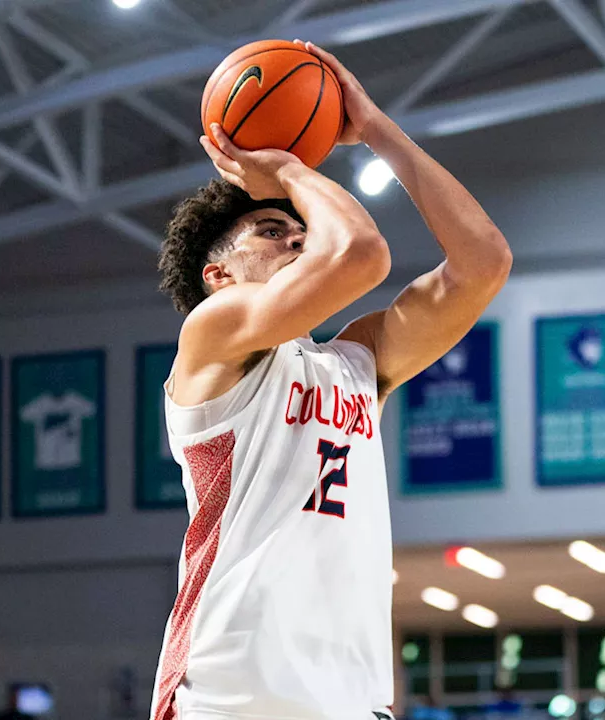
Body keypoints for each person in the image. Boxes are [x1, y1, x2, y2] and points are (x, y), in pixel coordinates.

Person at [148, 40, 511, 720]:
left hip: (349, 701)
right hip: (227, 699)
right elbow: (363, 254)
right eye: (268, 229)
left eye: (298, 231)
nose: (295, 238)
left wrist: (374, 127)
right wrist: (288, 170)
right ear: (218, 275)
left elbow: (483, 260)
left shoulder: (356, 362)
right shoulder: (213, 334)